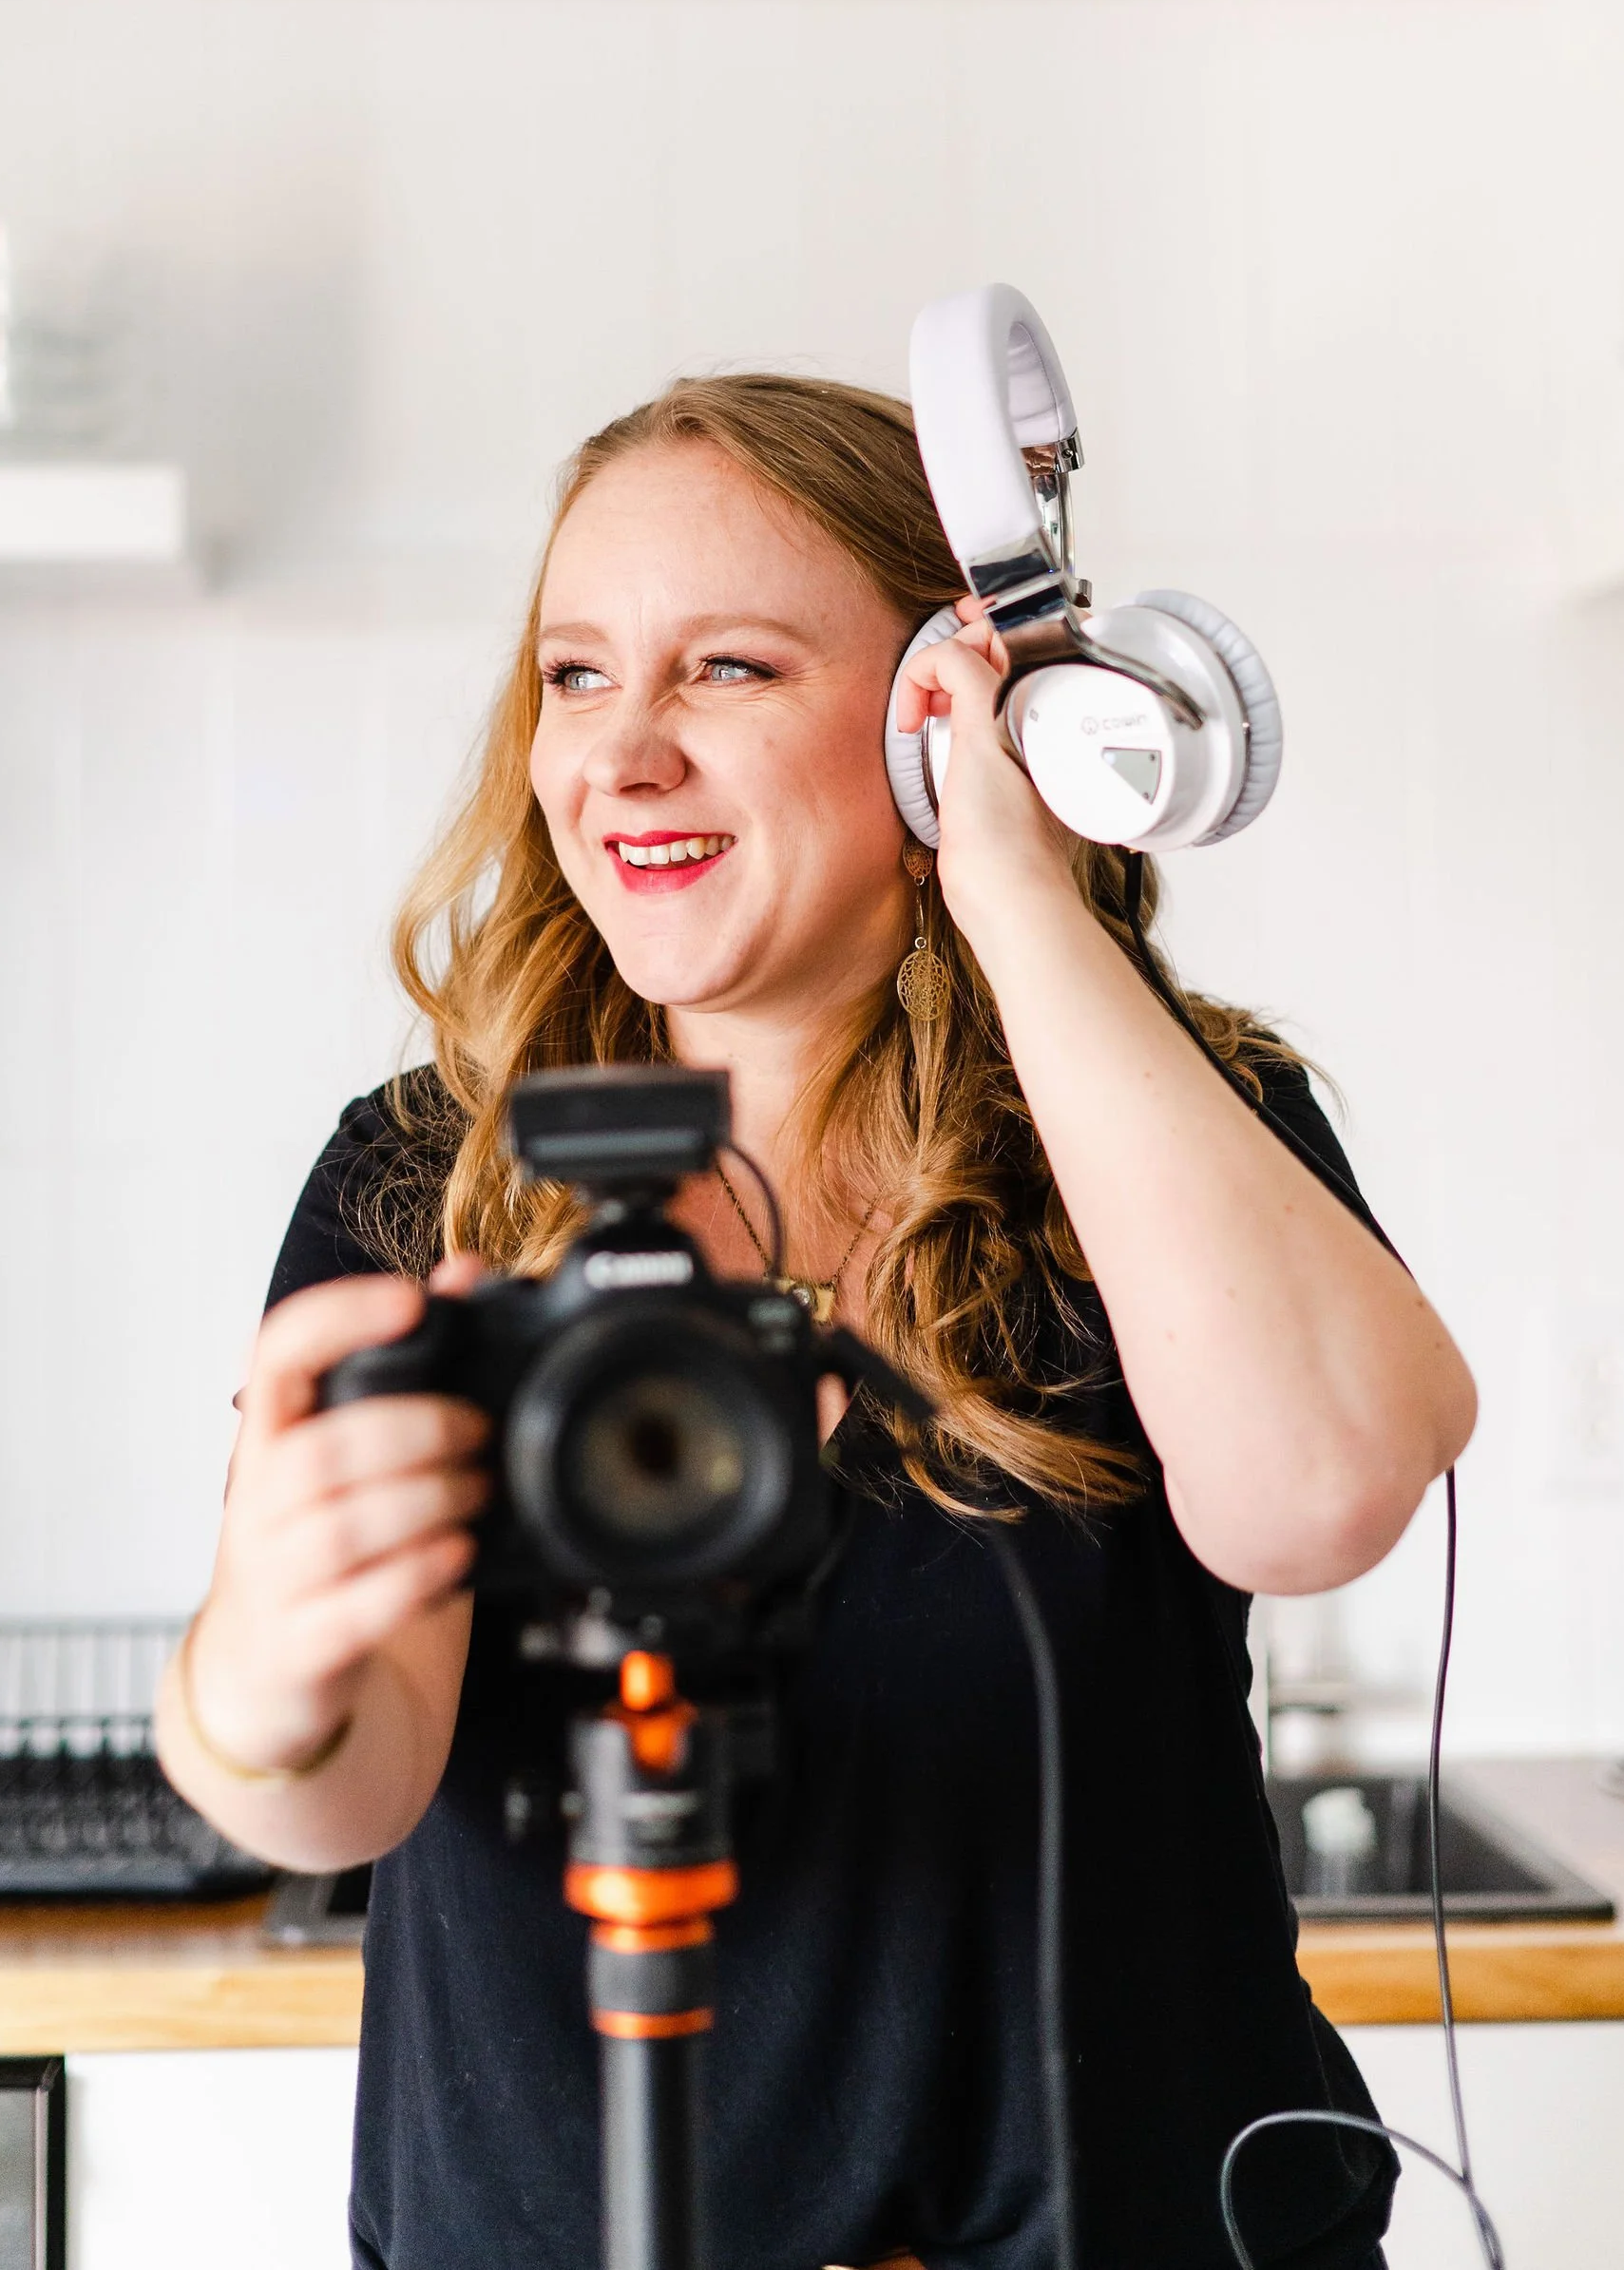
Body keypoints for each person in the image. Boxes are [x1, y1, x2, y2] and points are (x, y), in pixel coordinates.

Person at [157, 372, 1477, 2270]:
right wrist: (259, 1678)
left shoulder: (1164, 1128)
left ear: (941, 720)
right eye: (577, 676)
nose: (622, 758)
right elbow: (345, 1781)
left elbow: (1323, 1493)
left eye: (730, 670)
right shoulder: (424, 1175)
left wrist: (1015, 885)